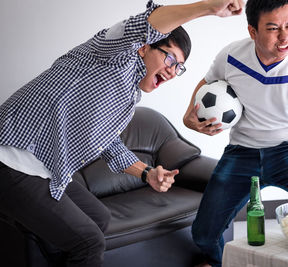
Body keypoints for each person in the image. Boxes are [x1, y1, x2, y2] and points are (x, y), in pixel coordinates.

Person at [0, 0, 244, 266]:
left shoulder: (127, 96)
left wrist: (147, 173)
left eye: (179, 67)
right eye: (170, 59)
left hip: (47, 170)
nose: (172, 71)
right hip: (11, 158)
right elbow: (147, 24)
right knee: (89, 241)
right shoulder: (110, 54)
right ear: (144, 47)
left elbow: (108, 144)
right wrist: (208, 7)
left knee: (99, 219)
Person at [183, 0, 288, 266]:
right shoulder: (231, 56)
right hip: (242, 151)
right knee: (203, 235)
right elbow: (207, 83)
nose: (285, 36)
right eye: (273, 28)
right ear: (253, 31)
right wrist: (189, 116)